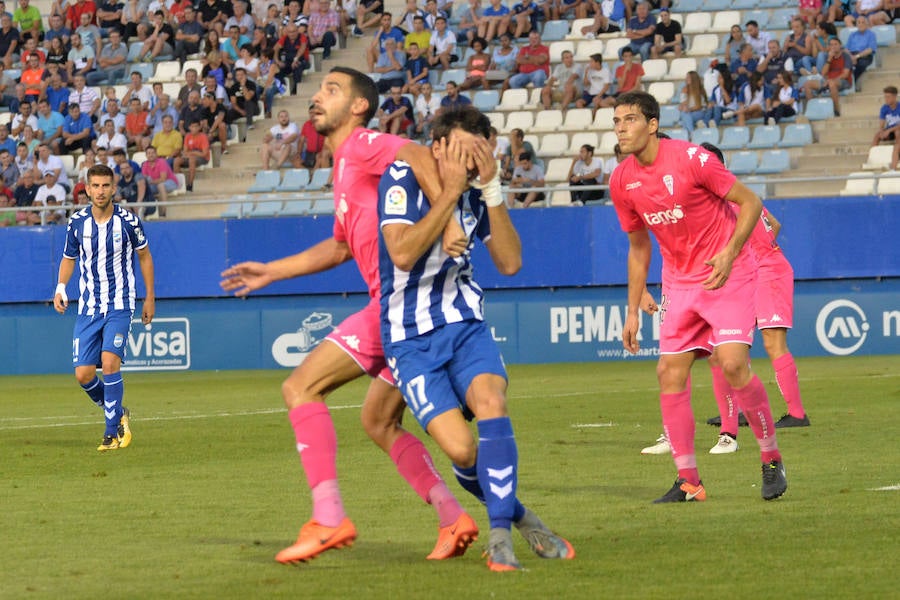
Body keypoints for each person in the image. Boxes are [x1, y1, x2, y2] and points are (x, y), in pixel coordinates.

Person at [220, 66, 479, 565]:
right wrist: (271, 271)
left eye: (331, 91)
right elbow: (341, 247)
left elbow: (417, 154)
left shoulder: (362, 143)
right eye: (318, 91)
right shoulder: (344, 167)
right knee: (378, 421)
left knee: (300, 388)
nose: (317, 98)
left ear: (359, 106)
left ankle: (329, 518)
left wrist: (445, 221)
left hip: (393, 308)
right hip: (405, 312)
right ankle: (452, 517)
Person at [376, 104, 573, 571]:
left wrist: (492, 188)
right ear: (438, 147)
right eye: (464, 152)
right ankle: (521, 517)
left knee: (492, 402)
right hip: (409, 338)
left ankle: (499, 537)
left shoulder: (478, 191)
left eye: (480, 153)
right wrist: (447, 196)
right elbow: (401, 253)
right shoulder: (401, 179)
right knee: (463, 450)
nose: (471, 162)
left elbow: (509, 263)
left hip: (466, 325)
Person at [609, 90, 788, 502]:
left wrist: (729, 253)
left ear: (652, 124)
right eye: (617, 121)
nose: (621, 128)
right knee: (668, 373)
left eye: (630, 119)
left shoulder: (693, 158)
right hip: (679, 282)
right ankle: (689, 481)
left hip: (728, 274)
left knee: (732, 364)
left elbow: (750, 202)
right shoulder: (622, 180)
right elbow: (639, 248)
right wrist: (633, 307)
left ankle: (771, 457)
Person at [53, 163, 155, 451]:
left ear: (114, 189)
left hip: (121, 304)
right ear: (87, 189)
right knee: (83, 374)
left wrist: (149, 297)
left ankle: (111, 434)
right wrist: (61, 287)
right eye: (95, 186)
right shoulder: (77, 223)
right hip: (88, 307)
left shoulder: (129, 222)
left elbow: (145, 257)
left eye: (105, 186)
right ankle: (118, 412)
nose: (100, 191)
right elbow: (69, 258)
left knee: (110, 362)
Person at [802, 36, 852, 117]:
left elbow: (845, 74)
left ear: (840, 45)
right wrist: (829, 59)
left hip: (843, 81)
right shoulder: (828, 57)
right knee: (807, 84)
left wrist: (831, 81)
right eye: (831, 45)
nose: (833, 47)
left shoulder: (846, 56)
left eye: (835, 44)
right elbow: (823, 73)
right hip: (828, 81)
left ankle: (836, 110)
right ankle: (813, 109)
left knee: (832, 84)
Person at [173, 119, 209, 192]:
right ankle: (182, 183)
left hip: (203, 158)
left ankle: (190, 184)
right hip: (190, 156)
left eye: (196, 126)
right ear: (189, 127)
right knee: (176, 160)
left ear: (199, 127)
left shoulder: (203, 136)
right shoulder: (187, 136)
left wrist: (192, 153)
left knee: (192, 159)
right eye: (192, 127)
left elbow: (204, 154)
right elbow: (185, 152)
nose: (194, 128)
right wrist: (192, 153)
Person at [872, 85, 900, 170]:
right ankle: (872, 158)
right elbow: (881, 124)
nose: (886, 99)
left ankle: (893, 166)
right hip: (890, 131)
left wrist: (889, 130)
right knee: (877, 135)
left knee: (898, 132)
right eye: (885, 97)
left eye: (888, 97)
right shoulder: (884, 108)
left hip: (897, 130)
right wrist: (882, 132)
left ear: (895, 97)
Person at [845, 14, 878, 82]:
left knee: (861, 64)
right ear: (856, 24)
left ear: (867, 24)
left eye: (863, 22)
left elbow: (870, 50)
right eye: (858, 22)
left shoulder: (871, 34)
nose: (860, 24)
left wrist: (856, 57)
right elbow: (846, 49)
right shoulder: (852, 35)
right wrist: (851, 57)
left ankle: (851, 81)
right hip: (851, 55)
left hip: (864, 55)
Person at [677, 70, 710, 135]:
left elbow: (699, 106)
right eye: (686, 77)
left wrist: (688, 109)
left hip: (700, 112)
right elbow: (682, 104)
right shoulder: (685, 89)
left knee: (685, 117)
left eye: (688, 77)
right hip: (689, 113)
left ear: (693, 79)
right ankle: (691, 134)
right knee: (685, 115)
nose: (686, 79)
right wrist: (682, 106)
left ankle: (689, 135)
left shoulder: (699, 90)